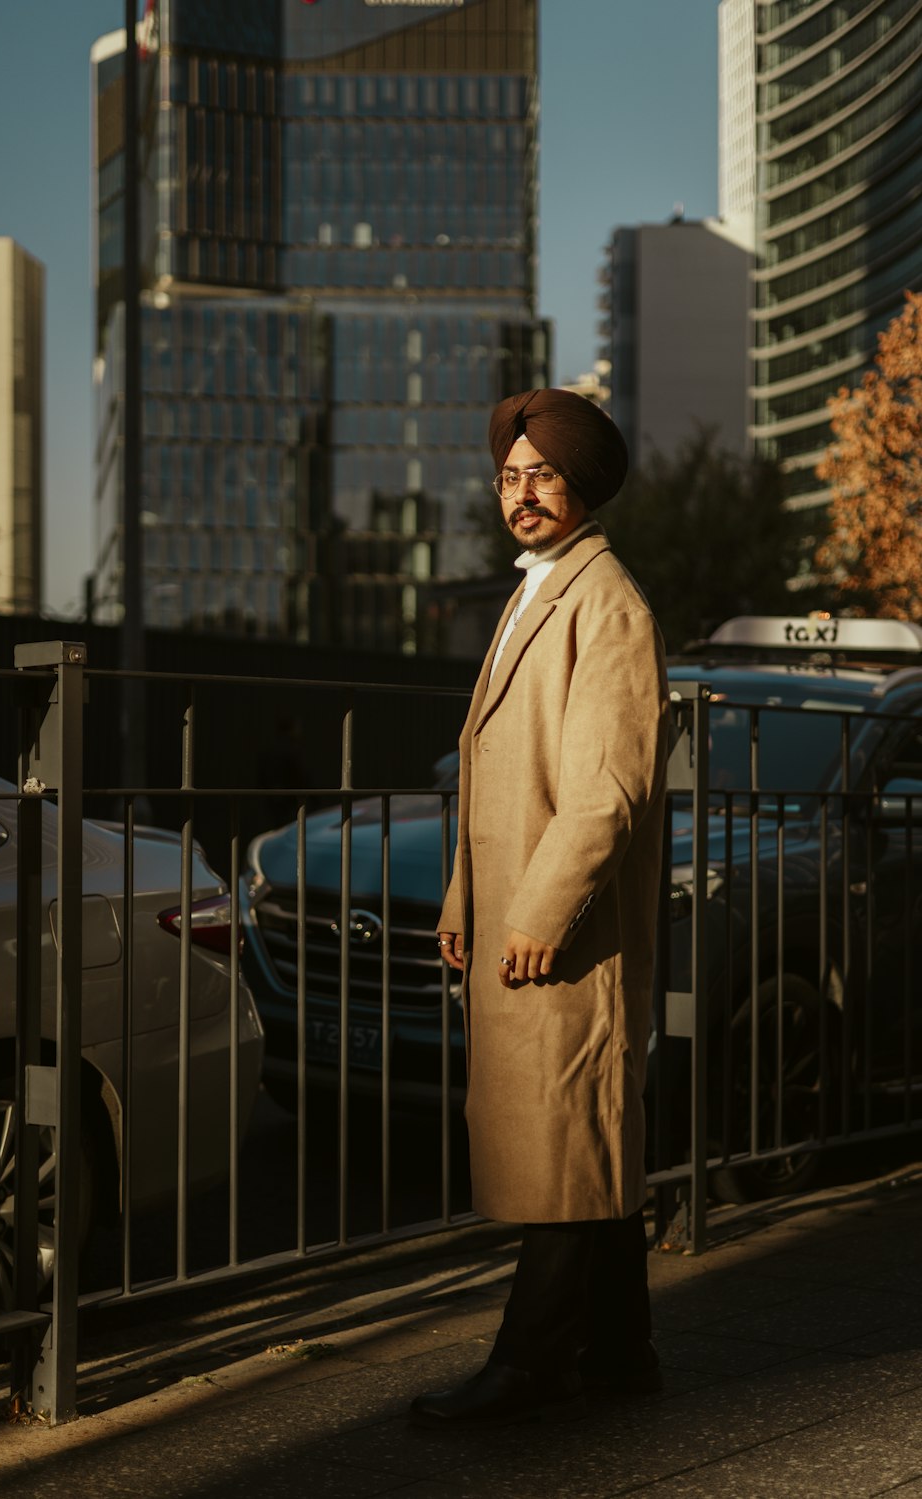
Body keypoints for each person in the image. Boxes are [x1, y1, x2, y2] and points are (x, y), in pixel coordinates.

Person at [409, 388, 669, 1428]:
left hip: (567, 932)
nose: (521, 492)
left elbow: (608, 786)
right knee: (583, 1133)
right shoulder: (540, 590)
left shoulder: (608, 602)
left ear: (583, 484)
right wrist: (466, 899)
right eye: (512, 474)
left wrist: (537, 912)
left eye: (543, 473)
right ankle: (621, 1350)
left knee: (566, 1137)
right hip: (517, 912)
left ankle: (529, 1362)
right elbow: (489, 769)